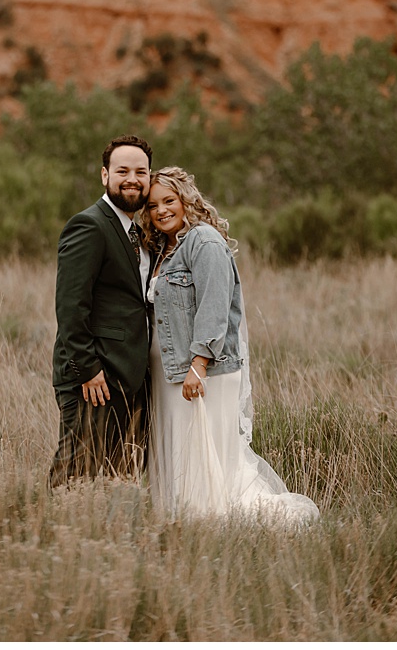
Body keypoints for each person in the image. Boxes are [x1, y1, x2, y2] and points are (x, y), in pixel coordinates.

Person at [143, 167, 319, 522]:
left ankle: (211, 520)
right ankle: (181, 519)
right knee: (182, 449)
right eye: (152, 205)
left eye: (169, 201)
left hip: (200, 372)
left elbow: (214, 306)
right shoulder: (163, 249)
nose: (161, 210)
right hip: (169, 372)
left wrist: (198, 364)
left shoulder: (204, 242)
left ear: (186, 200)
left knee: (205, 452)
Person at [49, 135, 156, 485]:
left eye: (141, 172)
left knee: (116, 477)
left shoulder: (135, 233)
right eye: (122, 170)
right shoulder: (89, 225)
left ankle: (104, 537)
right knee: (76, 473)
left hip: (127, 376)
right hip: (94, 377)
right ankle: (50, 533)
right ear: (104, 175)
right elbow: (70, 305)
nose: (132, 178)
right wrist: (88, 369)